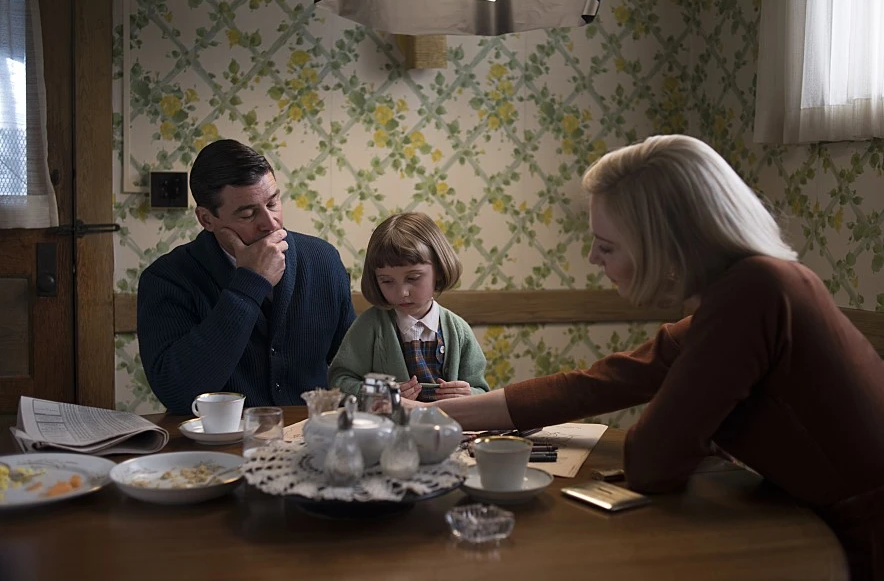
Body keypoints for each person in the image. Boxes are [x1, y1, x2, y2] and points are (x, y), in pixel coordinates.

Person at [420, 135, 884, 580]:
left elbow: (652, 461)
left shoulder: (751, 294)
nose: (593, 257)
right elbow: (598, 383)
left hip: (862, 541)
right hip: (818, 520)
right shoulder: (757, 284)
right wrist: (430, 414)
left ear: (666, 242)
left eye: (606, 246)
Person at [137, 139, 356, 414]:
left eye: (273, 203)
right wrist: (249, 283)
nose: (270, 223)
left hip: (312, 432)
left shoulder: (323, 260)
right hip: (221, 437)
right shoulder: (166, 278)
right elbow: (179, 393)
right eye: (248, 214)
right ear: (207, 219)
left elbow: (353, 367)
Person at [328, 211, 490, 402]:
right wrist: (379, 393)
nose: (402, 292)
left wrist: (468, 394)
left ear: (438, 270)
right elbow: (339, 380)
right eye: (387, 281)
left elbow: (481, 390)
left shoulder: (459, 330)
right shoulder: (369, 326)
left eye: (413, 278)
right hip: (389, 422)